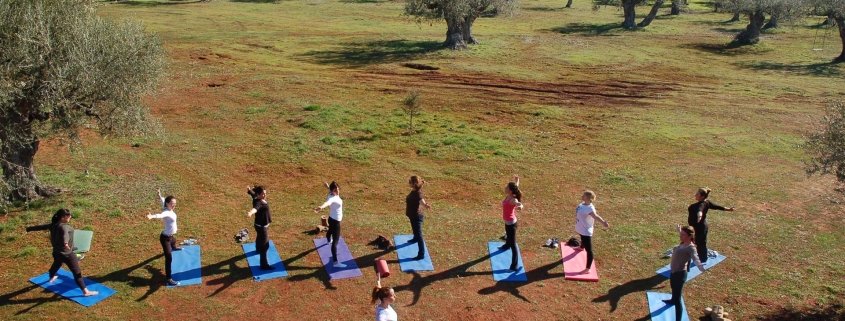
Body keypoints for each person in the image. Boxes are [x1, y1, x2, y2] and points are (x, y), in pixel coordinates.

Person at [26, 209, 99, 296]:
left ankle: (52, 277)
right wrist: (66, 243)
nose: (70, 217)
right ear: (63, 217)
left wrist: (29, 229)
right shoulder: (64, 227)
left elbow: (41, 227)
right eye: (68, 216)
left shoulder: (53, 225)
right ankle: (86, 292)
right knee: (77, 272)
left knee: (57, 264)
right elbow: (65, 235)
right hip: (67, 254)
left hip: (57, 252)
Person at [663, 225, 706, 320]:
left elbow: (695, 257)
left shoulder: (691, 248)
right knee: (673, 289)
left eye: (683, 235)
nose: (680, 236)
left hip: (680, 274)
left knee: (678, 299)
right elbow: (683, 236)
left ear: (690, 236)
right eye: (680, 234)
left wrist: (699, 265)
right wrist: (680, 231)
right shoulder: (684, 242)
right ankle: (672, 300)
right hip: (673, 272)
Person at [687, 187, 734, 263]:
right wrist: (729, 209)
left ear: (702, 196)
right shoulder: (707, 202)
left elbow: (700, 210)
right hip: (700, 227)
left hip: (699, 228)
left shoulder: (701, 204)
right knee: (699, 243)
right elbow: (718, 207)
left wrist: (699, 216)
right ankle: (701, 257)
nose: (695, 194)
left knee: (699, 243)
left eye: (698, 194)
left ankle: (702, 259)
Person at [146, 189, 182, 286]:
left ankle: (173, 246)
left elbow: (162, 200)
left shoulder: (167, 208)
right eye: (172, 203)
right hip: (165, 238)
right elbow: (160, 215)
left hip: (170, 237)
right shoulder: (167, 212)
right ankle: (168, 279)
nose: (174, 205)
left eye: (175, 203)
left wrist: (159, 195)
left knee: (173, 240)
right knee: (169, 257)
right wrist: (151, 216)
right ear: (168, 204)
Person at [574, 190, 609, 274]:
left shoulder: (590, 208)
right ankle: (582, 247)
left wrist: (603, 222)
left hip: (586, 231)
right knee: (581, 237)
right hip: (580, 227)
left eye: (584, 195)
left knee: (589, 250)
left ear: (589, 198)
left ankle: (588, 268)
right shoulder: (582, 203)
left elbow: (595, 216)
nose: (582, 196)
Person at [315, 181, 346, 268]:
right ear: (332, 191)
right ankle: (335, 262)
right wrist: (321, 207)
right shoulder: (333, 198)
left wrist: (328, 186)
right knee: (335, 242)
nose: (337, 191)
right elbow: (328, 203)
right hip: (336, 221)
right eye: (335, 190)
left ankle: (328, 239)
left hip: (331, 219)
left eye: (338, 189)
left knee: (330, 230)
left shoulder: (332, 194)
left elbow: (330, 192)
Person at [498, 174, 524, 271]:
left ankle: (514, 265)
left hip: (512, 224)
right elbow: (516, 187)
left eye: (506, 187)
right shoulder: (510, 195)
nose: (505, 188)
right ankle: (506, 245)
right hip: (508, 222)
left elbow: (518, 203)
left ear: (510, 190)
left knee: (513, 245)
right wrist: (517, 180)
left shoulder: (513, 199)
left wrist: (520, 206)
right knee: (508, 237)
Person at [247, 185, 274, 270]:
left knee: (259, 238)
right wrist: (251, 212)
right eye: (262, 194)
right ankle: (264, 265)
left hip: (258, 225)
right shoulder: (259, 202)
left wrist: (249, 190)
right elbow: (256, 208)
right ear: (258, 194)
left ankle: (258, 249)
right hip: (262, 227)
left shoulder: (256, 198)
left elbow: (252, 194)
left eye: (265, 193)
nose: (264, 195)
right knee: (265, 246)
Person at [405, 175, 431, 260]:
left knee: (419, 235)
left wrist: (425, 205)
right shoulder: (415, 190)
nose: (409, 183)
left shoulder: (417, 193)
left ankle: (421, 254)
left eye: (410, 182)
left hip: (416, 217)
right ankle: (415, 238)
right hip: (412, 215)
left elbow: (421, 200)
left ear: (414, 184)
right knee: (414, 230)